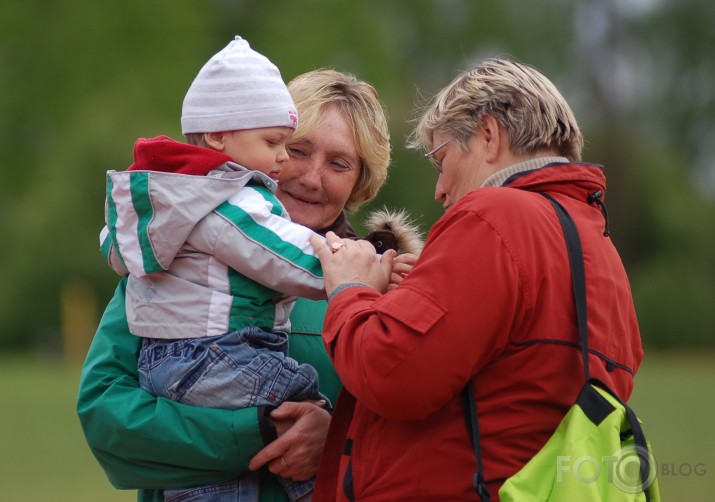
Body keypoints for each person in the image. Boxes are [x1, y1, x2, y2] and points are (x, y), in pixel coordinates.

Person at [78, 63, 422, 502]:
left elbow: (422, 433)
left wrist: (334, 441)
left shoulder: (390, 291)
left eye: (338, 163)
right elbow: (106, 418)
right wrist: (256, 431)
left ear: (361, 182)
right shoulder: (171, 258)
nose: (311, 177)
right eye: (296, 149)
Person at [309, 57, 644, 501]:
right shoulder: (601, 250)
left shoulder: (495, 217)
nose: (440, 190)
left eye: (442, 158)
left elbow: (390, 374)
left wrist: (351, 290)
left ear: (488, 135)